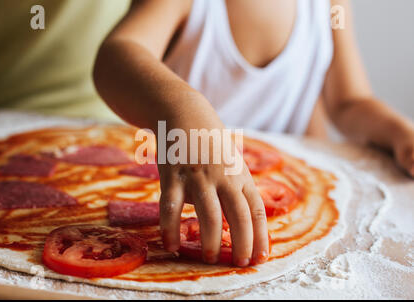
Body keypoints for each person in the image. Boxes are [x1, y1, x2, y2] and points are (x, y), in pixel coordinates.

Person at [93, 0, 414, 267]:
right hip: (192, 210)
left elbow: (349, 102)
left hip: (292, 216)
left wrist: (401, 132)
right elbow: (117, 55)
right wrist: (186, 111)